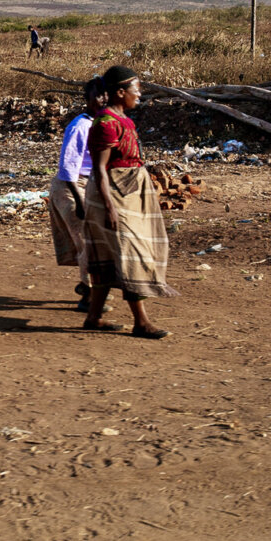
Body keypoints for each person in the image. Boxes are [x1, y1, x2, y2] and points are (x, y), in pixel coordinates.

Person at [81, 65, 176, 338]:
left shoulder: (122, 119)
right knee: (130, 253)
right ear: (120, 92)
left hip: (129, 194)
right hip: (113, 195)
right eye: (137, 89)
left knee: (110, 257)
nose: (140, 94)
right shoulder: (106, 123)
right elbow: (100, 169)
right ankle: (141, 322)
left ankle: (94, 317)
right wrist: (110, 207)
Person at [49, 77, 107, 311]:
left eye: (106, 95)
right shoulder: (80, 126)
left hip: (88, 185)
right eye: (98, 95)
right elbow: (68, 166)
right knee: (87, 241)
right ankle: (88, 295)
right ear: (87, 99)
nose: (102, 99)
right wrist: (80, 201)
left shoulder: (102, 123)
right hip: (70, 187)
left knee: (91, 241)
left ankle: (89, 286)